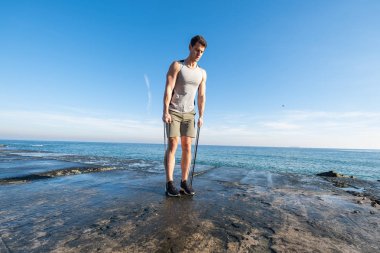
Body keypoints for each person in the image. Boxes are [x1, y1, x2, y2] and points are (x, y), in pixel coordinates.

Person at [162, 35, 207, 197]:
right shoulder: (177, 66)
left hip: (190, 114)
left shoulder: (202, 73)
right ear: (190, 47)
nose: (198, 53)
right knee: (173, 145)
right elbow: (168, 88)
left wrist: (201, 115)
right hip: (174, 110)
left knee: (187, 147)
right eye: (196, 50)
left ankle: (184, 182)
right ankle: (169, 183)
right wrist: (165, 111)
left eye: (201, 51)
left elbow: (201, 96)